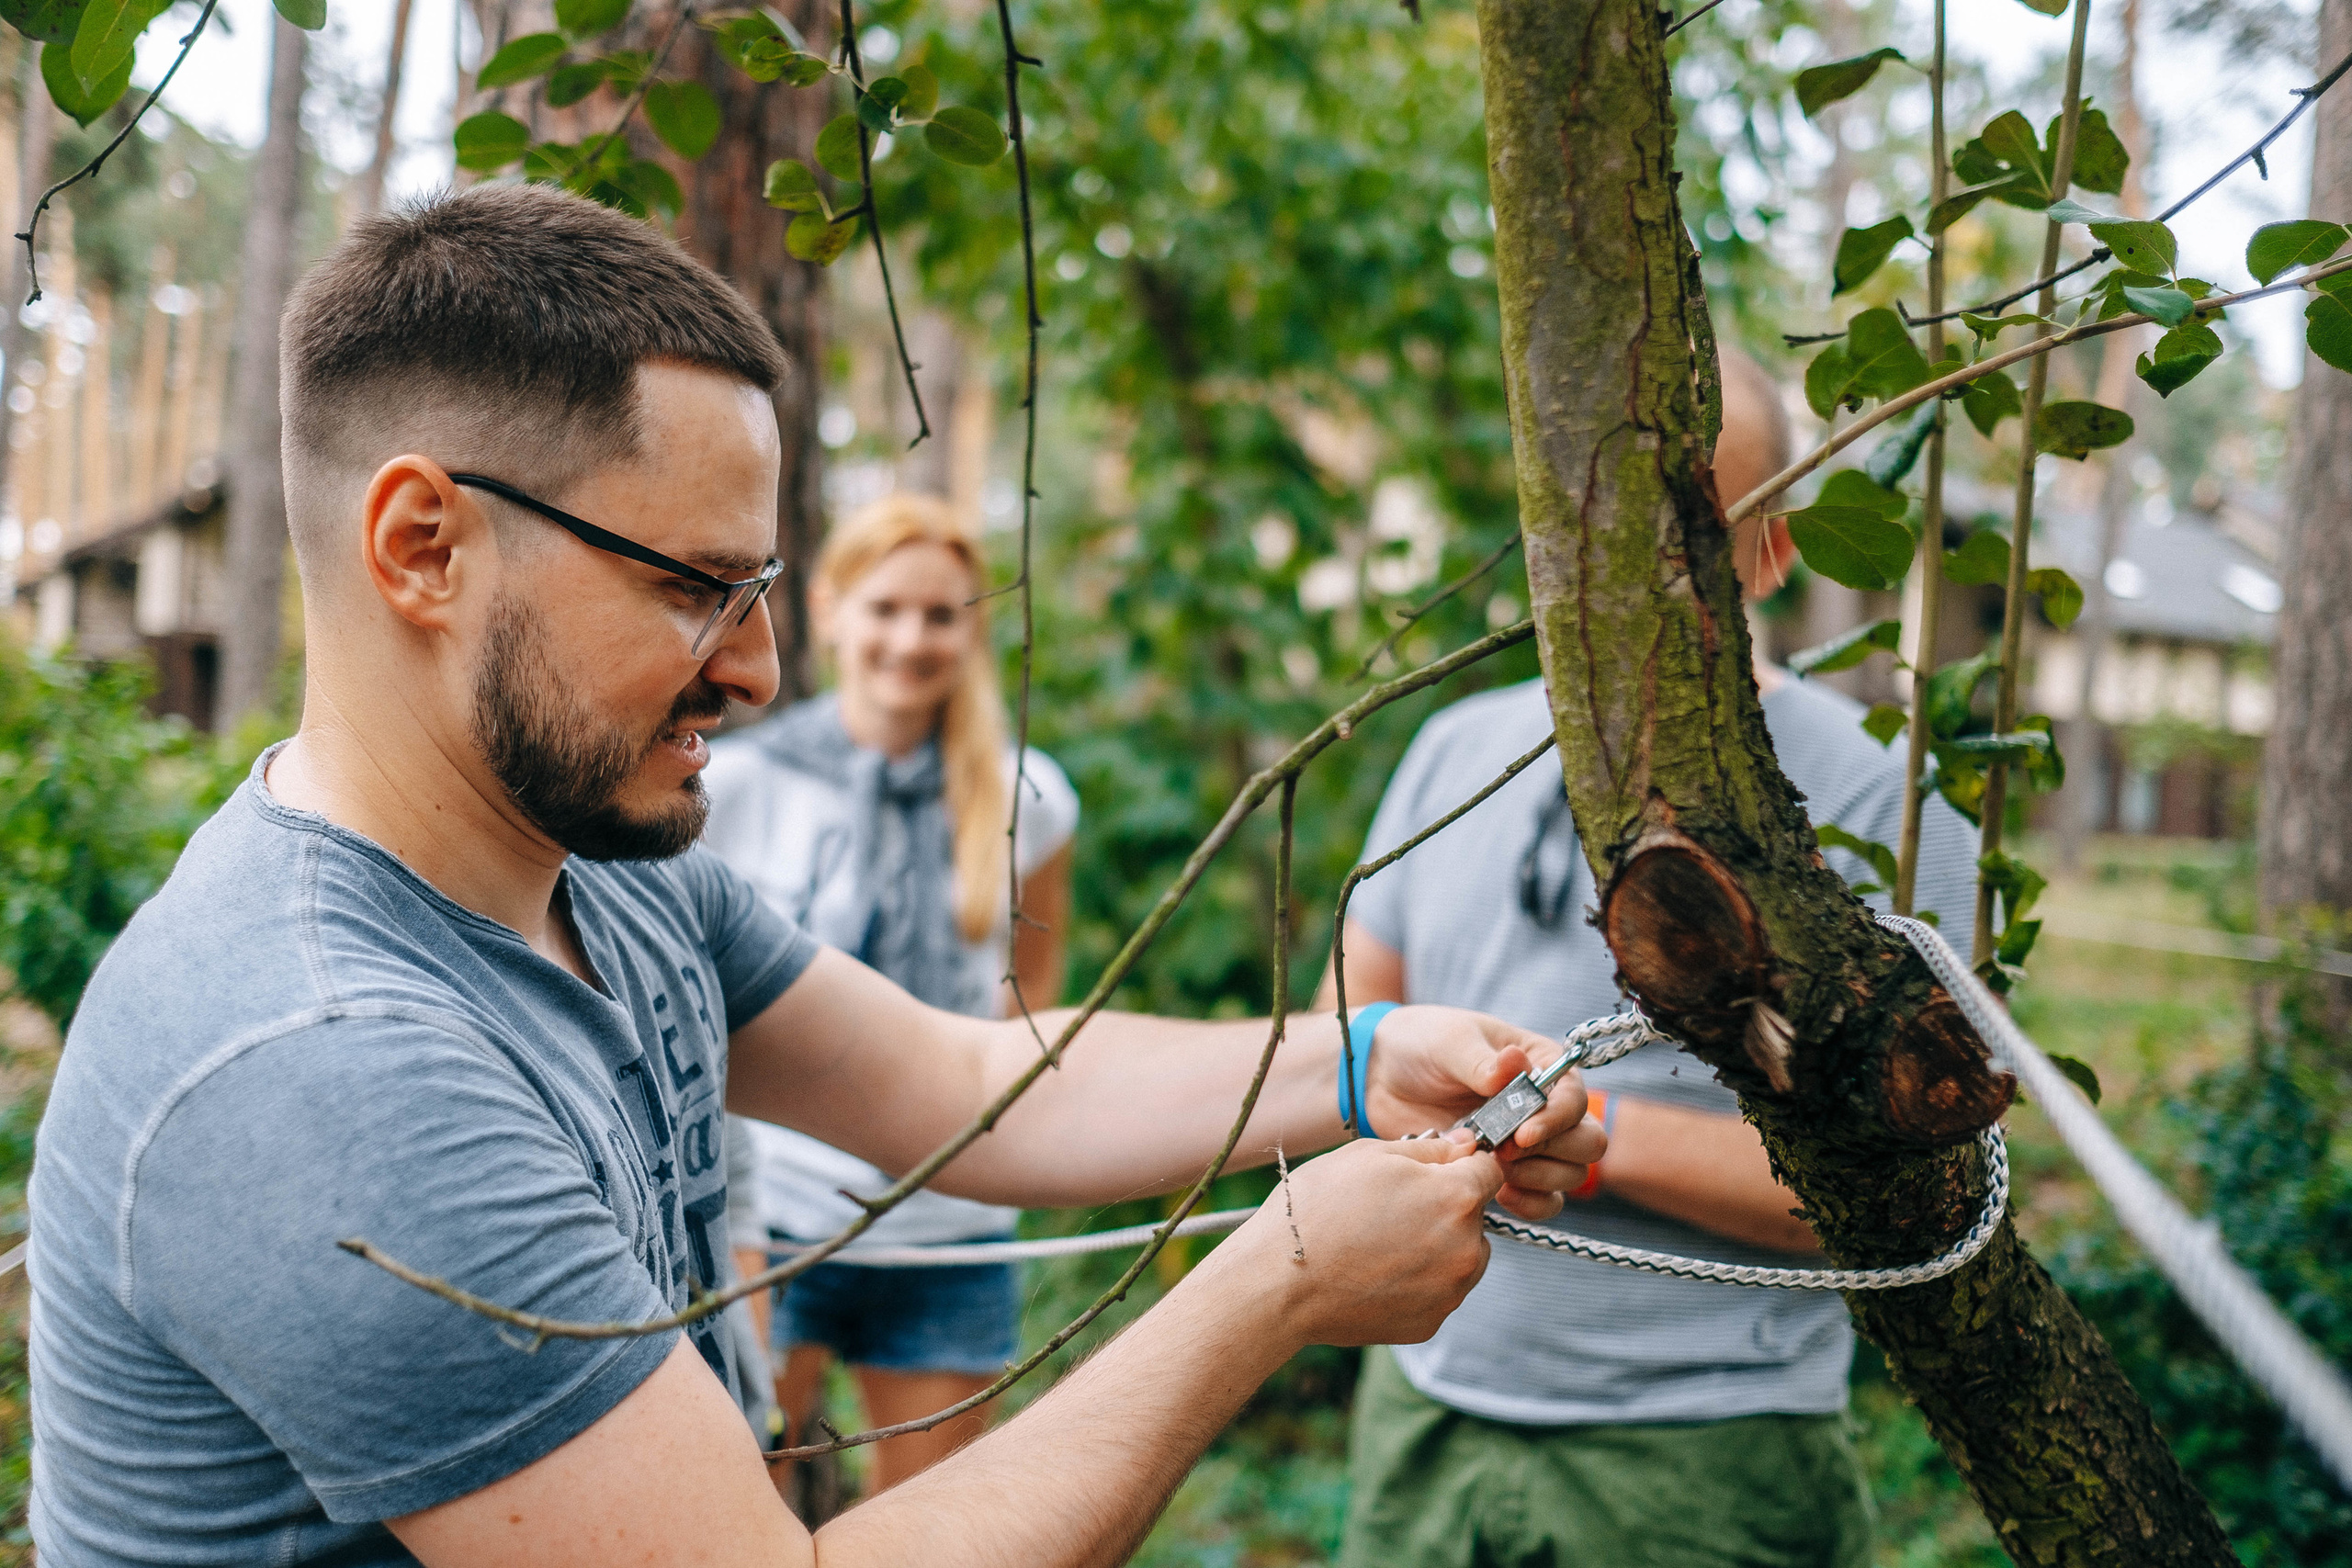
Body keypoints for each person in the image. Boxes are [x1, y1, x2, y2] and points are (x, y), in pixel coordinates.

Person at [26, 184, 1607, 1568]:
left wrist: (1347, 1065)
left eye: (764, 584)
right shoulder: (322, 1063)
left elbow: (973, 1081)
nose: (766, 669)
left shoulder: (602, 865)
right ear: (426, 544)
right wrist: (1277, 1279)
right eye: (698, 588)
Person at [1324, 353, 1984, 1568]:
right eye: (1585, 524)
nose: (1619, 576)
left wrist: (1580, 1128)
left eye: (1678, 535)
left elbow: (1917, 1191)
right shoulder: (1448, 751)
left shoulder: (1881, 805)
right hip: (1421, 1421)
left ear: (1773, 550)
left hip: (1706, 1464)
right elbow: (1349, 1040)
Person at [700, 491, 1079, 1491]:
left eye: (940, 614)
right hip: (774, 1221)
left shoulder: (1025, 798)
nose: (910, 639)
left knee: (936, 1522)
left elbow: (1032, 984)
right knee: (743, 1503)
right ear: (828, 609)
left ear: (971, 628)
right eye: (885, 608)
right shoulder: (736, 787)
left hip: (948, 1220)